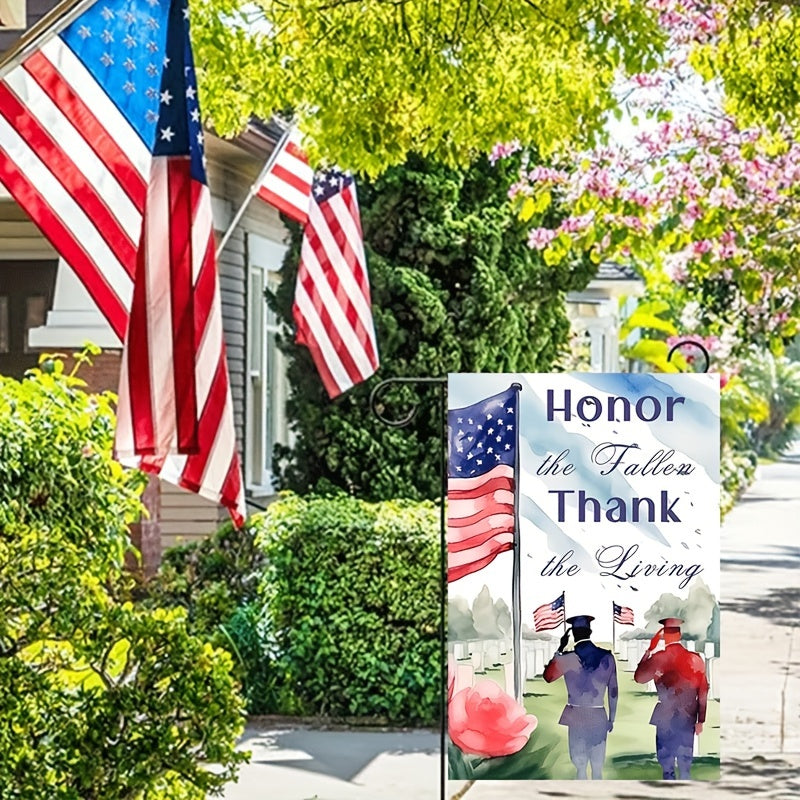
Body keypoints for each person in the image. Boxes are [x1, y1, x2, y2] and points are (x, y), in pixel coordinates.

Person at [543, 614, 618, 779]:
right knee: (597, 769)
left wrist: (559, 649)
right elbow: (613, 691)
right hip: (599, 716)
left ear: (574, 635)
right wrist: (611, 718)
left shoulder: (567, 658)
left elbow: (548, 677)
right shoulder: (607, 657)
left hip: (576, 717)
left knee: (580, 768)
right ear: (590, 632)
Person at [634, 617, 709, 780]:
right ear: (679, 635)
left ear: (664, 637)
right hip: (687, 716)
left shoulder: (658, 658)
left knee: (667, 767)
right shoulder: (695, 658)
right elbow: (703, 690)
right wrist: (700, 720)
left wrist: (648, 651)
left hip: (665, 717)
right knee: (685, 766)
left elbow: (639, 678)